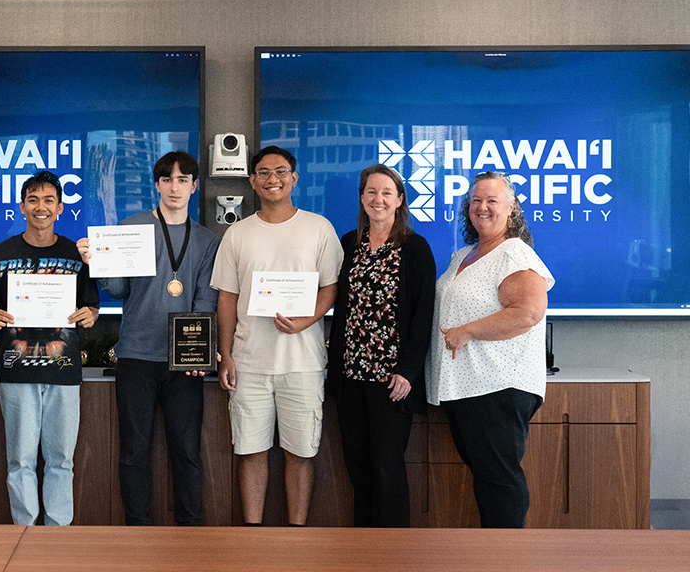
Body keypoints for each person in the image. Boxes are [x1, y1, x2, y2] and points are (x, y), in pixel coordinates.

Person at [77, 151, 220, 526]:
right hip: (136, 357)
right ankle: (136, 529)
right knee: (133, 453)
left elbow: (205, 299)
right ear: (157, 185)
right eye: (168, 180)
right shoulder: (133, 227)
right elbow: (119, 289)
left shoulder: (206, 240)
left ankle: (191, 528)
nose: (175, 187)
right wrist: (97, 265)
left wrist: (198, 357)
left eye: (183, 180)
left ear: (194, 186)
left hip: (183, 363)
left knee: (187, 452)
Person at [211, 145, 343, 526]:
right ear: (252, 180)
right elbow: (227, 298)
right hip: (249, 362)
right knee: (250, 452)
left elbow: (331, 288)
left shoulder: (318, 228)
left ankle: (296, 535)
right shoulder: (238, 233)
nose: (273, 179)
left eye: (281, 171)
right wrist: (226, 354)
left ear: (294, 178)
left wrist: (307, 319)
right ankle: (253, 535)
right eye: (264, 173)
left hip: (302, 363)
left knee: (300, 453)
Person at [426, 170, 555, 528]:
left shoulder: (514, 252)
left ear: (511, 208)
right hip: (466, 387)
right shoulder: (464, 254)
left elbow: (527, 312)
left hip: (497, 386)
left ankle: (507, 558)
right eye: (476, 200)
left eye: (492, 201)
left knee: (498, 480)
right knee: (487, 477)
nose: (482, 207)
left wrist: (466, 331)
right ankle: (493, 554)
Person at [0, 170, 99, 526]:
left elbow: (91, 305)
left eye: (48, 200)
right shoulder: (0, 253)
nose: (40, 207)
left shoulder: (75, 254)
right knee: (20, 460)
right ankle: (25, 531)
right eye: (33, 200)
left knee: (62, 459)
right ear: (22, 207)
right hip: (16, 371)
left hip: (64, 373)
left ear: (60, 207)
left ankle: (59, 534)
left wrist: (90, 315)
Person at [327, 164, 436, 528]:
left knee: (387, 467)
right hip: (351, 376)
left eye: (387, 192)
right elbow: (338, 304)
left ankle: (393, 554)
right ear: (361, 198)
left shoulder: (415, 248)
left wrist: (408, 370)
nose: (379, 199)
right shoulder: (349, 244)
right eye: (371, 192)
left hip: (391, 381)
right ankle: (364, 551)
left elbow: (423, 316)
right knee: (357, 467)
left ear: (400, 199)